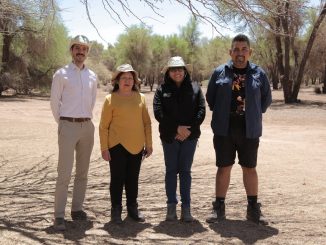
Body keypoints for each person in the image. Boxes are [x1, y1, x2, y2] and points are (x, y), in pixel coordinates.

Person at [205, 34, 272, 225]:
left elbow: (265, 100)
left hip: (249, 129)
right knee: (223, 167)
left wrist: (252, 114)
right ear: (230, 52)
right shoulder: (219, 72)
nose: (240, 53)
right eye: (236, 49)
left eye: (244, 49)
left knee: (249, 167)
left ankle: (253, 209)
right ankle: (218, 208)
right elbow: (211, 98)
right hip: (224, 128)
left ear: (250, 52)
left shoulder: (259, 74)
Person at [50, 35, 97, 231]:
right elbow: (54, 103)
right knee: (64, 173)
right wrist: (63, 123)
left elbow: (92, 101)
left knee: (83, 172)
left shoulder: (92, 76)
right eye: (77, 48)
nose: (81, 52)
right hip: (68, 125)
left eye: (84, 49)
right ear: (72, 50)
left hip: (87, 126)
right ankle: (59, 215)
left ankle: (77, 209)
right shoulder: (61, 74)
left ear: (87, 52)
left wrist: (84, 119)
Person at [153, 56, 206, 222]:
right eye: (173, 69)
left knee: (185, 172)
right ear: (168, 72)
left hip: (190, 137)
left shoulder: (196, 88)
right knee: (171, 171)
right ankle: (171, 208)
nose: (177, 72)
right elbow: (158, 113)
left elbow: (201, 111)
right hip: (170, 137)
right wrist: (176, 128)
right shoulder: (161, 90)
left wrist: (187, 130)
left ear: (185, 71)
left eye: (180, 69)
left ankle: (186, 209)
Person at [99, 64, 153, 224]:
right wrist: (104, 148)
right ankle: (116, 210)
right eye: (124, 78)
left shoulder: (141, 98)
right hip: (116, 146)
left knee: (132, 179)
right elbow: (103, 126)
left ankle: (132, 209)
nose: (127, 81)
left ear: (134, 81)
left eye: (130, 78)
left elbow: (147, 123)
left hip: (137, 146)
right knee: (117, 179)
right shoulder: (110, 99)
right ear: (117, 81)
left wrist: (148, 144)